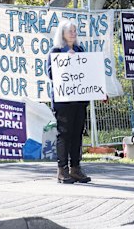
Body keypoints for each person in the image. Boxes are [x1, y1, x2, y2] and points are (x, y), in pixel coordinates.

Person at [47, 20, 91, 183]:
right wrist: (67, 59)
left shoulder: (81, 50)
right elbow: (51, 74)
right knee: (64, 135)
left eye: (75, 31)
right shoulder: (55, 51)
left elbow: (88, 72)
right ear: (62, 34)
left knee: (77, 135)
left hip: (79, 101)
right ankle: (62, 169)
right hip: (63, 102)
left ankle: (76, 168)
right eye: (70, 31)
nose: (73, 33)